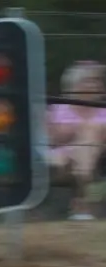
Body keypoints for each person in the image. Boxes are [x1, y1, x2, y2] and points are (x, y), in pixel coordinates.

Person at [48, 60, 106, 221]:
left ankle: (80, 203)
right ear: (74, 86)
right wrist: (77, 132)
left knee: (91, 133)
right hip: (63, 156)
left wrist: (86, 130)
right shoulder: (58, 109)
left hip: (97, 156)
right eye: (89, 81)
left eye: (98, 81)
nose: (96, 86)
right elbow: (52, 138)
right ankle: (82, 202)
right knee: (67, 156)